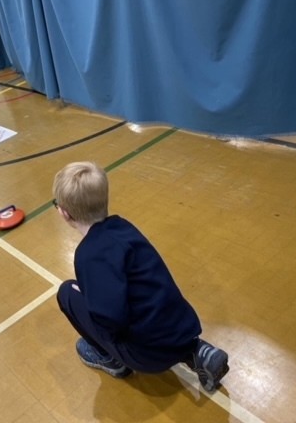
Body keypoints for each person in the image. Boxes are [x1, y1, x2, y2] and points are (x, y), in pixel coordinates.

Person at [53, 161, 229, 391]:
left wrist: (91, 307)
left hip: (146, 355)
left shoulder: (89, 255)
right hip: (181, 328)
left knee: (68, 292)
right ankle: (195, 352)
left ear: (65, 213)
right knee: (140, 296)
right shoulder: (123, 227)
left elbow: (110, 320)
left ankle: (111, 360)